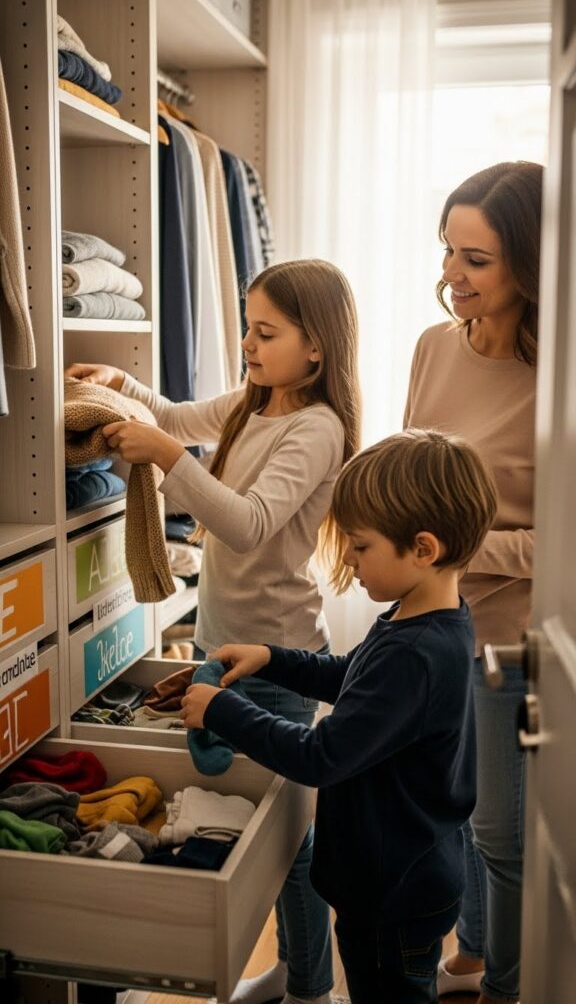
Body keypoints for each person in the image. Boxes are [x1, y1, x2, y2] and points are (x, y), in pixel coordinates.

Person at [64, 258, 362, 1004]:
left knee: (288, 841)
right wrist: (128, 392)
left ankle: (310, 987)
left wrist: (169, 462)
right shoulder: (256, 401)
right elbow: (181, 415)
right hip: (222, 644)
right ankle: (298, 978)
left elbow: (249, 524)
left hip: (282, 658)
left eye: (265, 332)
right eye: (246, 328)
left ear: (316, 347)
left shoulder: (317, 427)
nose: (248, 344)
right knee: (253, 821)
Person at [180, 428, 498, 1004]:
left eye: (360, 546)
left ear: (423, 548)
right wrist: (272, 658)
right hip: (407, 871)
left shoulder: (415, 654)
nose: (349, 563)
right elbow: (352, 674)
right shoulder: (429, 616)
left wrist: (221, 710)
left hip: (391, 891)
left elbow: (320, 756)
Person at [403, 161, 543, 1004]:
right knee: (451, 813)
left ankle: (513, 988)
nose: (452, 274)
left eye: (477, 259)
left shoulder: (553, 377)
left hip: (514, 642)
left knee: (502, 834)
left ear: (528, 262)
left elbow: (558, 543)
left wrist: (456, 549)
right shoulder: (432, 347)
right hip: (436, 625)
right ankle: (473, 950)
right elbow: (413, 470)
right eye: (448, 251)